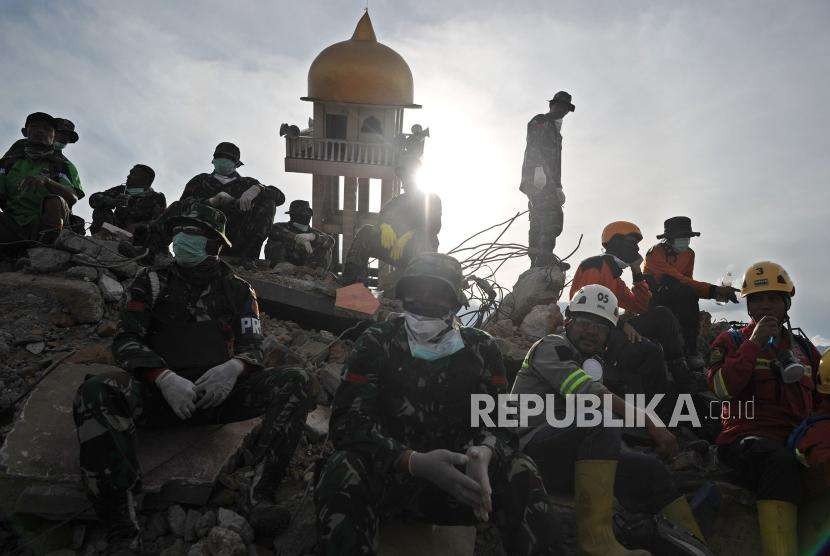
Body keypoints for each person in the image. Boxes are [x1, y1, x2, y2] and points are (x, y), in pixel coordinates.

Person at [72, 202, 315, 552]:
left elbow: (254, 345)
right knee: (96, 391)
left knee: (297, 381)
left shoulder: (239, 290)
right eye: (180, 232)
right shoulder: (151, 280)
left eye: (192, 233)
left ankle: (260, 495)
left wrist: (234, 369)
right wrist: (163, 378)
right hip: (160, 396)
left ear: (214, 244)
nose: (181, 239)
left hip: (218, 396)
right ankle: (122, 528)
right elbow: (126, 338)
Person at [315, 253, 563, 554]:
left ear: (454, 299)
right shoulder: (377, 340)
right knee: (342, 466)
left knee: (520, 469)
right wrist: (413, 461)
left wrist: (484, 453)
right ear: (404, 294)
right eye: (418, 289)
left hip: (464, 488)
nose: (426, 298)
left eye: (438, 291)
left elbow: (501, 426)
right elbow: (348, 425)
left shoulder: (481, 347)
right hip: (392, 480)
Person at [512, 284, 706, 555]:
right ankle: (598, 542)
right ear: (568, 321)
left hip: (573, 456)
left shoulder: (592, 362)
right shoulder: (550, 346)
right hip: (531, 453)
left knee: (650, 469)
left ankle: (695, 546)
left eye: (601, 326)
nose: (592, 330)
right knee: (600, 420)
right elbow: (587, 394)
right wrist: (651, 422)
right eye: (585, 322)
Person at [707, 261, 820, 555]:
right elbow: (721, 389)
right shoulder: (730, 341)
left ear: (786, 304)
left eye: (773, 298)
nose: (765, 305)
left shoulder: (804, 349)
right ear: (748, 306)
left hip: (796, 438)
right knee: (780, 462)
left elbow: (822, 400)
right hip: (744, 439)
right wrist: (753, 344)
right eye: (757, 299)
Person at [571, 221, 691, 396]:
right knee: (651, 351)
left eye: (637, 244)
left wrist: (636, 271)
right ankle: (661, 408)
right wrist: (622, 325)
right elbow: (586, 311)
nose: (636, 248)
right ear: (614, 242)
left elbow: (641, 306)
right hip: (596, 334)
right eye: (631, 243)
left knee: (662, 315)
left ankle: (680, 370)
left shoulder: (615, 277)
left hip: (611, 329)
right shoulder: (594, 265)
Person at [644, 216, 738, 370]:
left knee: (688, 293)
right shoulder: (655, 253)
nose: (685, 241)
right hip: (654, 295)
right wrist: (714, 290)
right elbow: (679, 279)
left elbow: (688, 283)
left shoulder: (689, 254)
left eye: (687, 237)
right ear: (669, 239)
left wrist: (717, 293)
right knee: (676, 284)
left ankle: (691, 350)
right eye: (680, 238)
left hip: (677, 293)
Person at [179, 142, 285, 266]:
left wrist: (258, 188)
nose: (223, 160)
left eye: (229, 158)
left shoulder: (247, 183)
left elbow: (280, 198)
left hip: (237, 239)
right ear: (213, 160)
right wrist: (210, 202)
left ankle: (249, 258)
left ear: (237, 163)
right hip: (204, 236)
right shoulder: (200, 180)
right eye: (220, 156)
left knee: (268, 201)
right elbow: (181, 207)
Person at [340, 164, 441, 287]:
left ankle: (418, 288)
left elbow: (434, 227)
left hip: (420, 253)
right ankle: (353, 284)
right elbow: (382, 217)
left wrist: (408, 236)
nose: (405, 180)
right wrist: (384, 226)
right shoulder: (397, 201)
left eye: (408, 176)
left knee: (422, 239)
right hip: (397, 251)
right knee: (366, 232)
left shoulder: (432, 199)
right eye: (403, 177)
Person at [0, 112, 83, 250]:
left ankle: (46, 252)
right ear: (25, 132)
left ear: (54, 136)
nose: (40, 131)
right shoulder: (8, 162)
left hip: (46, 224)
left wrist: (47, 181)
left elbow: (73, 197)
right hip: (13, 223)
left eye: (47, 129)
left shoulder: (63, 166)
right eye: (35, 127)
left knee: (55, 202)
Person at [520, 91, 574, 268]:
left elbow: (555, 163)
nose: (564, 111)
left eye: (566, 109)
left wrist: (558, 186)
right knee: (551, 214)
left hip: (548, 180)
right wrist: (538, 170)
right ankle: (544, 256)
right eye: (561, 107)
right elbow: (534, 145)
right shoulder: (541, 121)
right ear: (553, 105)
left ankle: (538, 258)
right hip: (538, 178)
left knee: (539, 217)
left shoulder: (556, 132)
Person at [88, 164, 166, 235]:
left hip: (138, 238)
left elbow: (161, 221)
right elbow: (93, 198)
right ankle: (101, 237)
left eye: (133, 174)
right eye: (130, 173)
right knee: (101, 208)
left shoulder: (157, 198)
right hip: (113, 231)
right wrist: (113, 202)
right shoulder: (121, 190)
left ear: (145, 179)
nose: (128, 176)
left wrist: (138, 226)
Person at [264, 200, 334, 270]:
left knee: (325, 247)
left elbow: (330, 241)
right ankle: (281, 266)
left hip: (306, 267)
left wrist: (313, 237)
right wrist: (295, 237)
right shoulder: (280, 226)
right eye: (302, 213)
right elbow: (274, 231)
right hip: (283, 265)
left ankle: (315, 272)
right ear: (292, 214)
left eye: (307, 213)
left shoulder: (313, 232)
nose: (306, 215)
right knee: (277, 241)